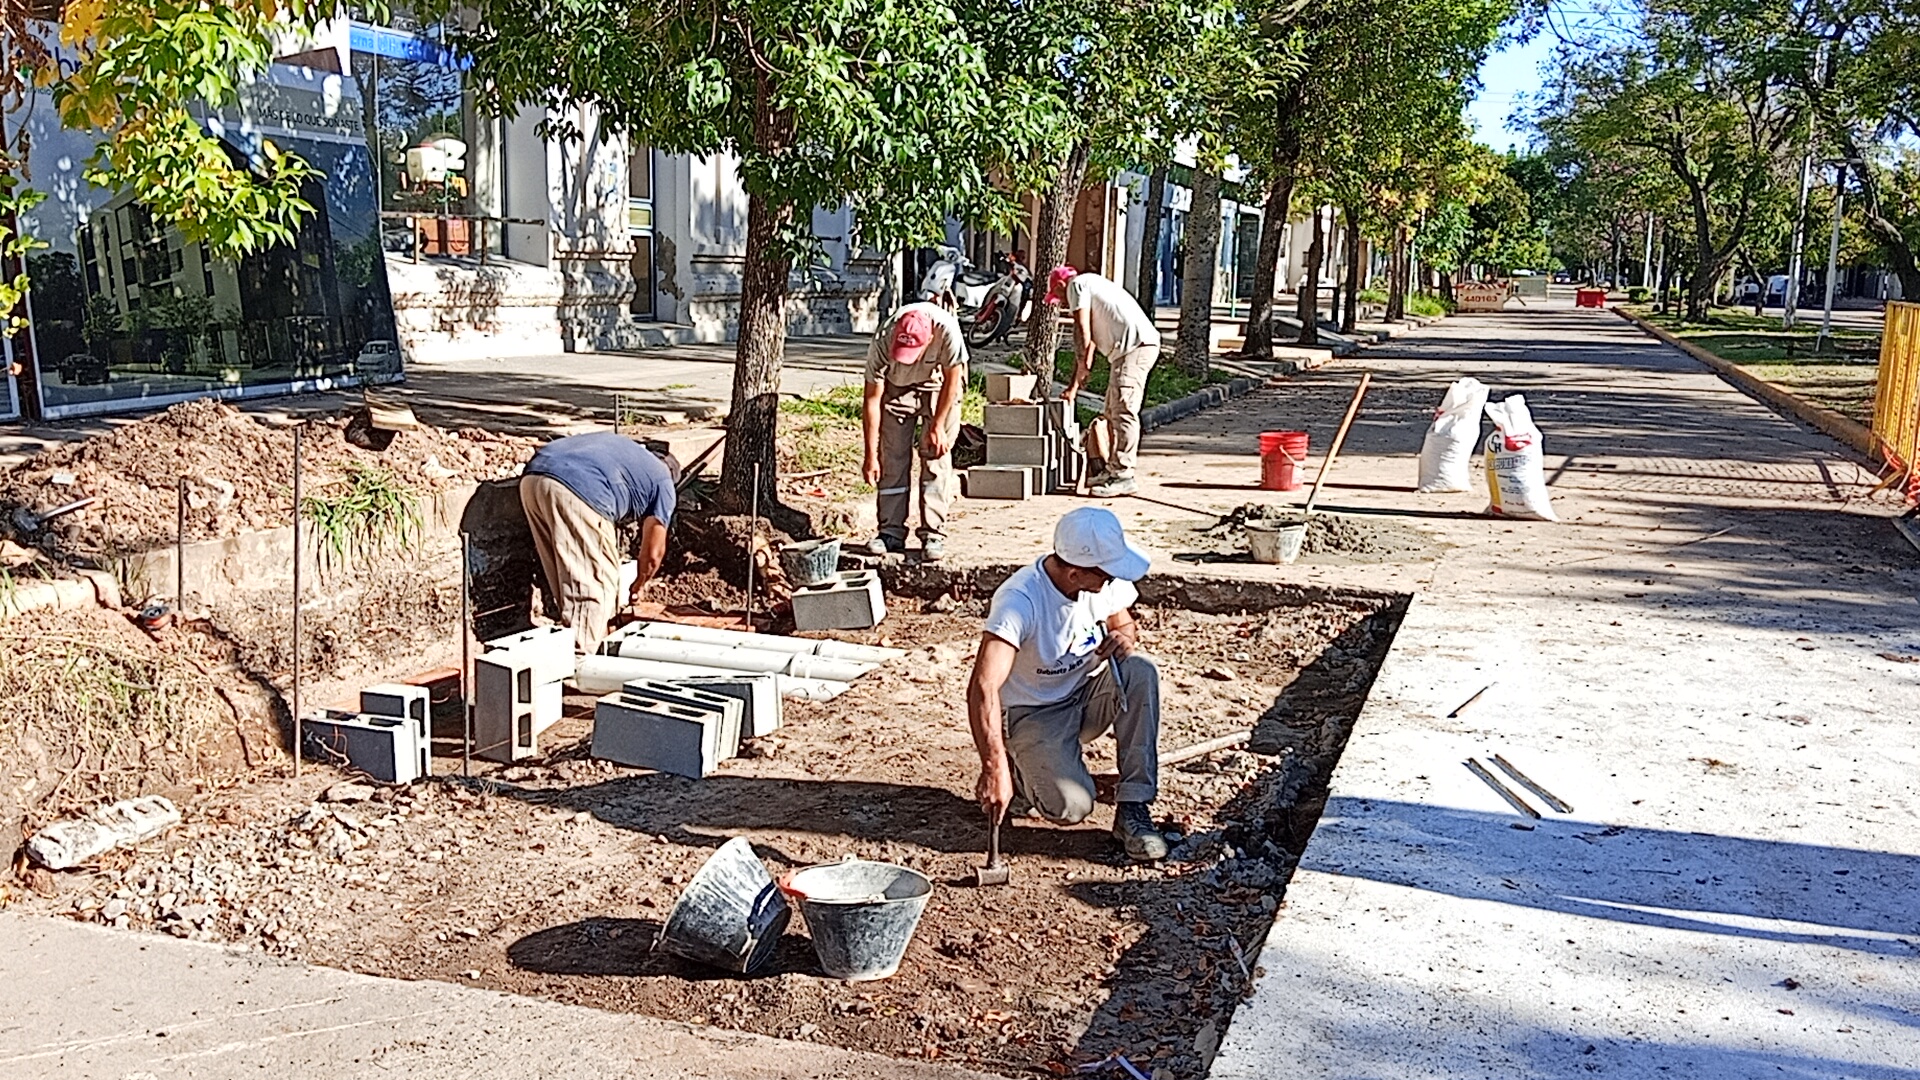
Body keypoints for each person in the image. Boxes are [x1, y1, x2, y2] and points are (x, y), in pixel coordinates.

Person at [965, 507, 1166, 861]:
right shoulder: (1020, 601)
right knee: (1070, 809)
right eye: (1106, 574)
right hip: (1032, 714)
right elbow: (983, 687)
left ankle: (1133, 808)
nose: (1113, 580)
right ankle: (1021, 772)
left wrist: (1123, 639)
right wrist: (993, 767)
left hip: (1083, 696)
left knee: (1140, 671)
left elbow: (1124, 625)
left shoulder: (1103, 582)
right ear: (1075, 574)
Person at [518, 431, 677, 654]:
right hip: (580, 487)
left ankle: (568, 646)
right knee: (594, 582)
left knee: (566, 574)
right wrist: (638, 585)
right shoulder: (663, 480)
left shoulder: (628, 453)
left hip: (532, 479)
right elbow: (653, 554)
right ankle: (581, 665)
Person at [862, 300, 967, 562]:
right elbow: (872, 400)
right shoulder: (884, 337)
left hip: (939, 386)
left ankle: (933, 533)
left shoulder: (948, 331)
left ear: (931, 337)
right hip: (897, 388)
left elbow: (952, 381)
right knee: (892, 459)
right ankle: (890, 533)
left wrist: (938, 426)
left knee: (935, 456)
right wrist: (870, 456)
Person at [1047, 265, 1162, 498]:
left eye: (1058, 297)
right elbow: (1087, 345)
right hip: (1128, 350)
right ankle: (1112, 470)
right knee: (1111, 410)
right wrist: (1073, 387)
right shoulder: (1091, 284)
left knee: (1123, 410)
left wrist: (1080, 372)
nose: (1062, 303)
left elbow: (1081, 331)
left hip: (1135, 347)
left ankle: (1123, 475)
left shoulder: (1077, 286)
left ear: (1060, 285)